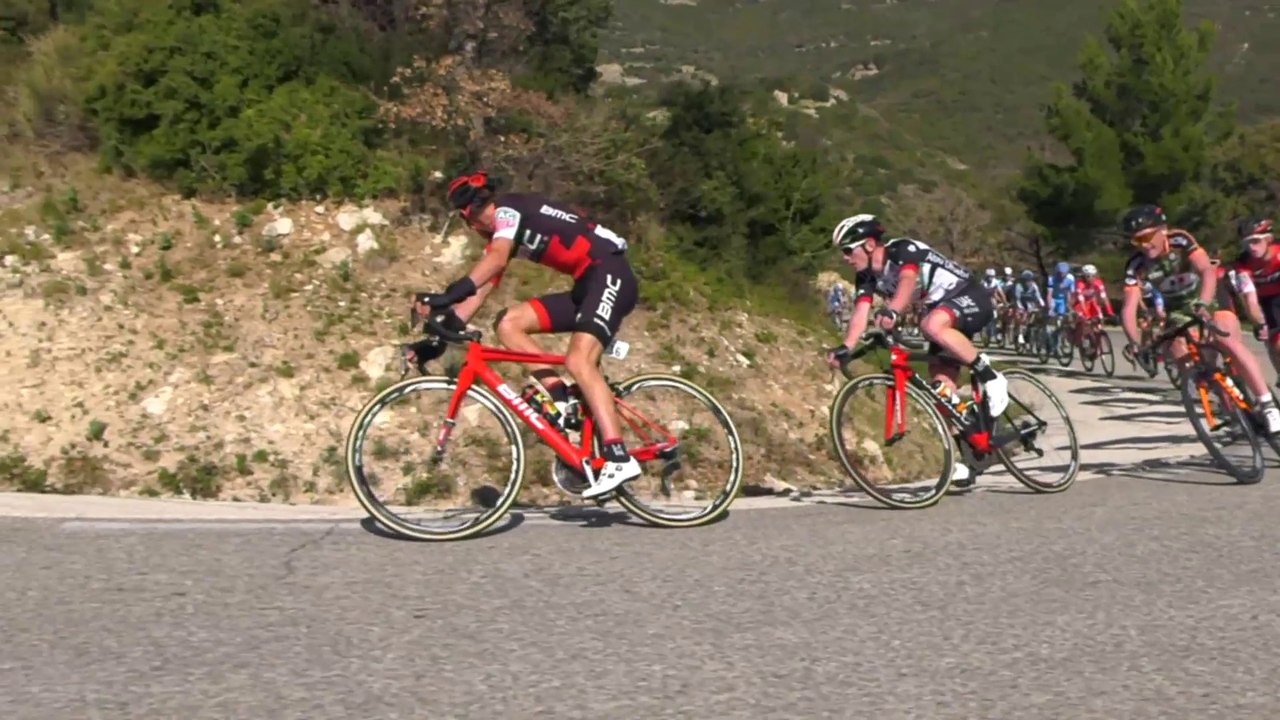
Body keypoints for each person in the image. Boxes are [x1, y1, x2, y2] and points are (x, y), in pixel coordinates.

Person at [413, 171, 643, 498]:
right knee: (508, 323)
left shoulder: (507, 213)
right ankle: (561, 396)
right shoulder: (506, 233)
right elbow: (480, 289)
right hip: (587, 283)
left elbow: (493, 262)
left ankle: (619, 457)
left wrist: (446, 296)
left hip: (610, 272)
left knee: (580, 361)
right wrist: (437, 338)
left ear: (470, 218)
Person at [824, 214, 1010, 486]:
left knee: (931, 324)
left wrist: (893, 311)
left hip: (970, 295)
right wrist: (846, 346)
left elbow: (908, 282)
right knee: (941, 391)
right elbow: (860, 311)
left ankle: (991, 377)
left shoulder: (901, 250)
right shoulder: (866, 276)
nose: (844, 257)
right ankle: (969, 456)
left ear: (869, 245)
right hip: (942, 312)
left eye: (847, 249)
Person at [1118, 204, 1280, 434]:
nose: (1143, 245)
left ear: (1162, 230)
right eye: (1136, 241)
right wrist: (1135, 343)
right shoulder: (1135, 265)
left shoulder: (1180, 240)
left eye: (1145, 237)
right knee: (1188, 363)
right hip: (1177, 311)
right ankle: (1232, 410)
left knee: (1226, 340)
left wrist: (1203, 303)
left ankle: (1268, 405)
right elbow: (1128, 309)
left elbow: (1206, 271)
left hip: (1209, 297)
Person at [1228, 217, 1280, 384]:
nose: (1251, 248)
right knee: (1276, 344)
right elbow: (1250, 299)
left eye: (1256, 241)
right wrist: (1259, 324)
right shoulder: (1244, 264)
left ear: (1269, 239)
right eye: (1246, 244)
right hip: (1267, 301)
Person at [1070, 263, 1114, 349]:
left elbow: (1104, 297)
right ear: (1084, 277)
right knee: (1085, 320)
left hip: (1092, 302)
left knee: (1099, 318)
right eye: (1088, 276)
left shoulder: (1098, 282)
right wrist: (1086, 316)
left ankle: (1097, 340)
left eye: (1093, 276)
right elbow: (1081, 300)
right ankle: (1083, 338)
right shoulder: (1080, 284)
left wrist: (1110, 312)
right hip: (1080, 304)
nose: (1091, 279)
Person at [1012, 269, 1045, 345]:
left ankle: (1031, 331)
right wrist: (1020, 308)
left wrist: (1042, 305)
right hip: (1021, 302)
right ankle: (1019, 333)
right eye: (1026, 281)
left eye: (1030, 280)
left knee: (1035, 315)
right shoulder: (1019, 286)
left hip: (1031, 303)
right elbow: (1017, 299)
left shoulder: (1034, 286)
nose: (1028, 282)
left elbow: (1038, 297)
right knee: (1022, 318)